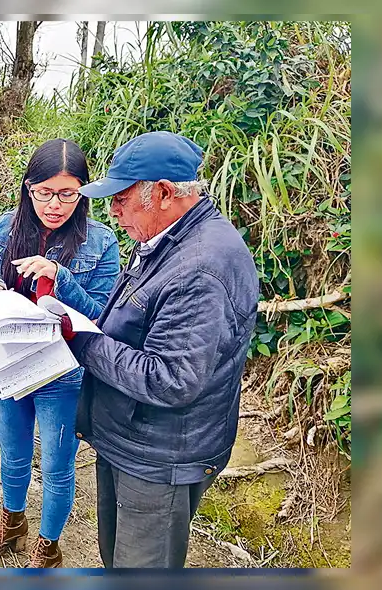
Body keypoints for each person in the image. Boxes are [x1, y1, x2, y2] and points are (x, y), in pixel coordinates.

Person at [69, 131, 260, 568]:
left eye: (121, 199)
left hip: (159, 456)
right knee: (117, 558)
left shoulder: (201, 267)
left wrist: (83, 342)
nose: (113, 211)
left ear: (164, 193)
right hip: (131, 440)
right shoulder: (166, 240)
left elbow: (171, 378)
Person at [0, 139, 120, 568]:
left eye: (68, 194)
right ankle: (12, 525)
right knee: (13, 454)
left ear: (83, 192)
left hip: (63, 372)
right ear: (28, 188)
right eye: (45, 192)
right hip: (7, 362)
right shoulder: (3, 230)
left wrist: (61, 277)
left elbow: (103, 316)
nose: (55, 205)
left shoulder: (100, 241)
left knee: (56, 465)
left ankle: (48, 547)